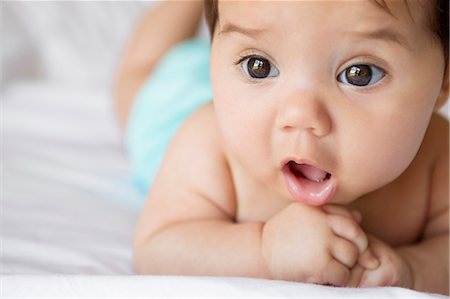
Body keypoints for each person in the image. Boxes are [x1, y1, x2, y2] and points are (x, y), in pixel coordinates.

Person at [115, 0, 449, 294]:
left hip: (243, 98)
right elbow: (158, 247)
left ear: (443, 82)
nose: (301, 116)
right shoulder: (206, 144)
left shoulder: (438, 156)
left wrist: (412, 269)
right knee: (140, 79)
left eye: (359, 73)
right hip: (175, 112)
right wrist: (264, 251)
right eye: (257, 65)